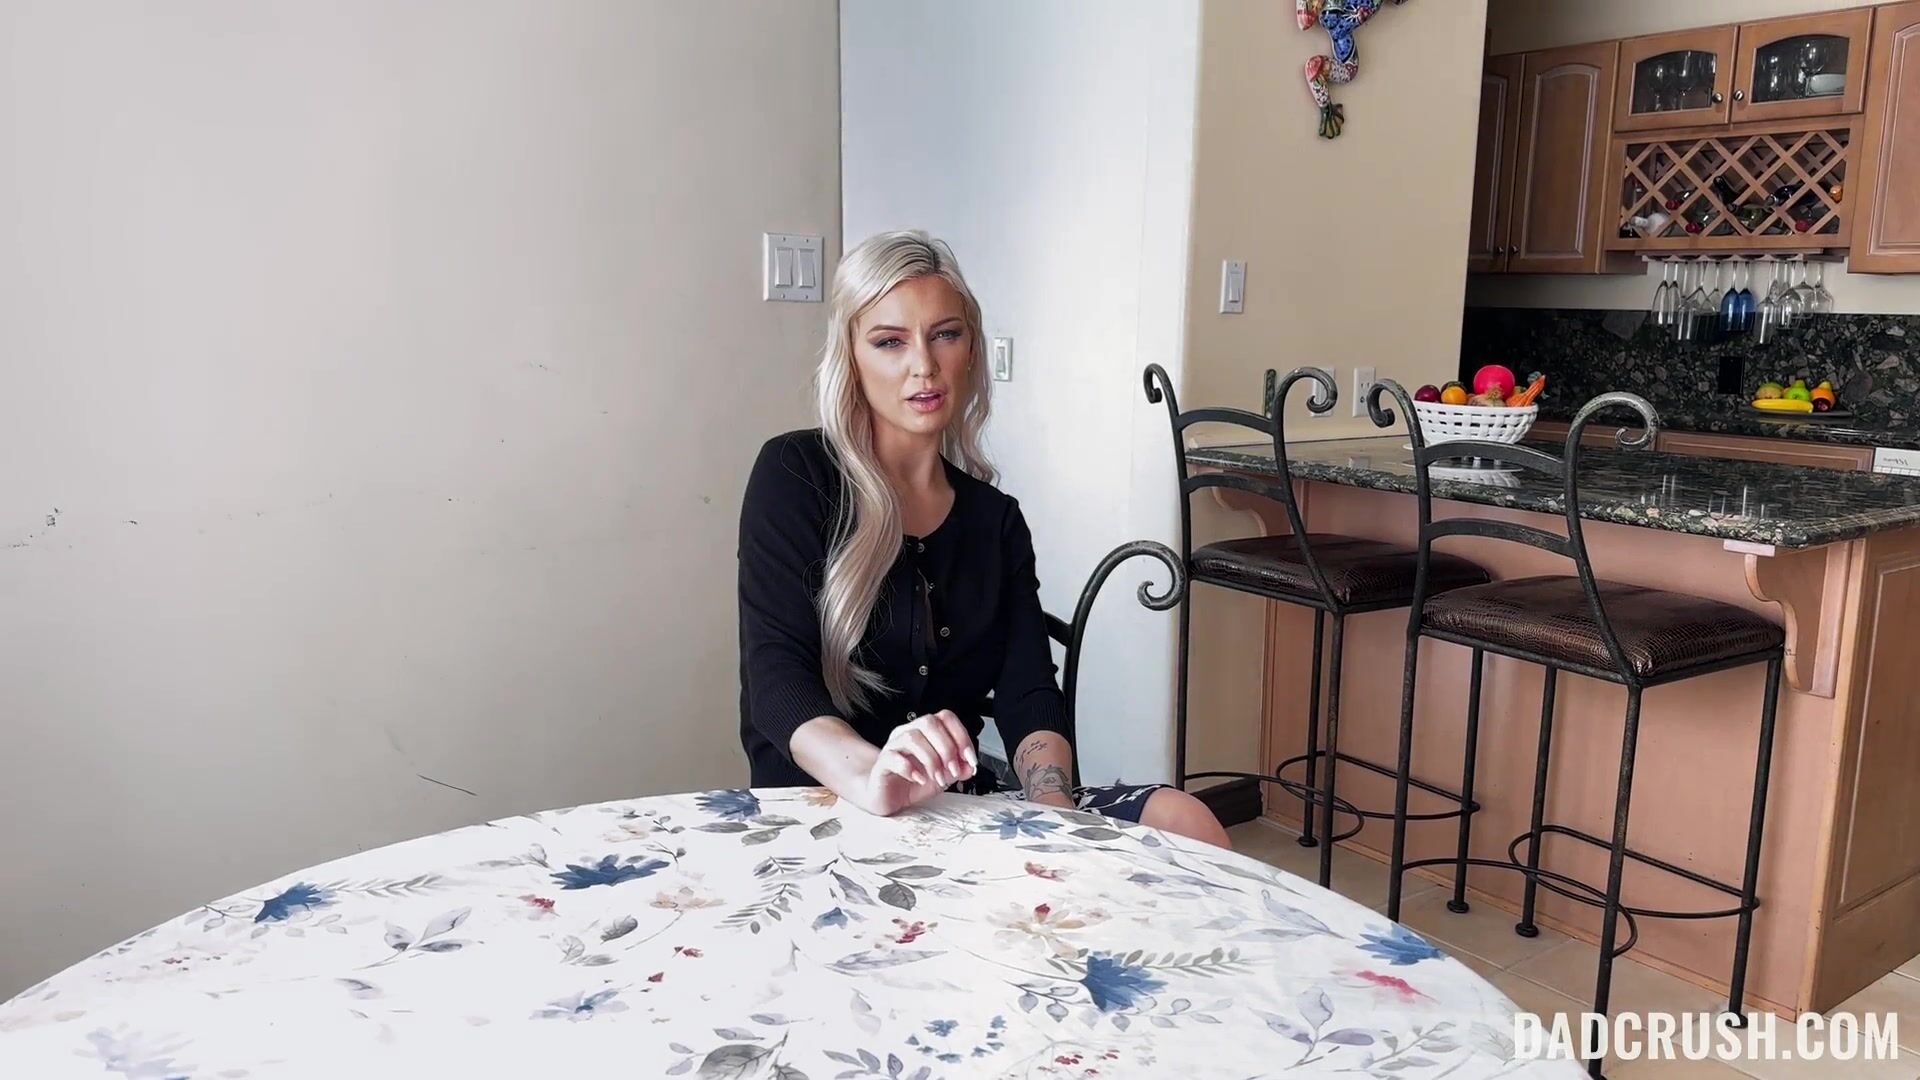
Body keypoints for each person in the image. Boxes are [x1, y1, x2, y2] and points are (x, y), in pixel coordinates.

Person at [736, 229, 1230, 848]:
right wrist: (873, 777)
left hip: (956, 813)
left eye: (945, 334)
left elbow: (1029, 690)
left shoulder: (994, 520)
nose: (924, 365)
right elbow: (776, 681)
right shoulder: (795, 474)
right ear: (852, 357)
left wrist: (1053, 812)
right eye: (890, 341)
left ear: (970, 348)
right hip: (828, 809)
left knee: (1183, 818)